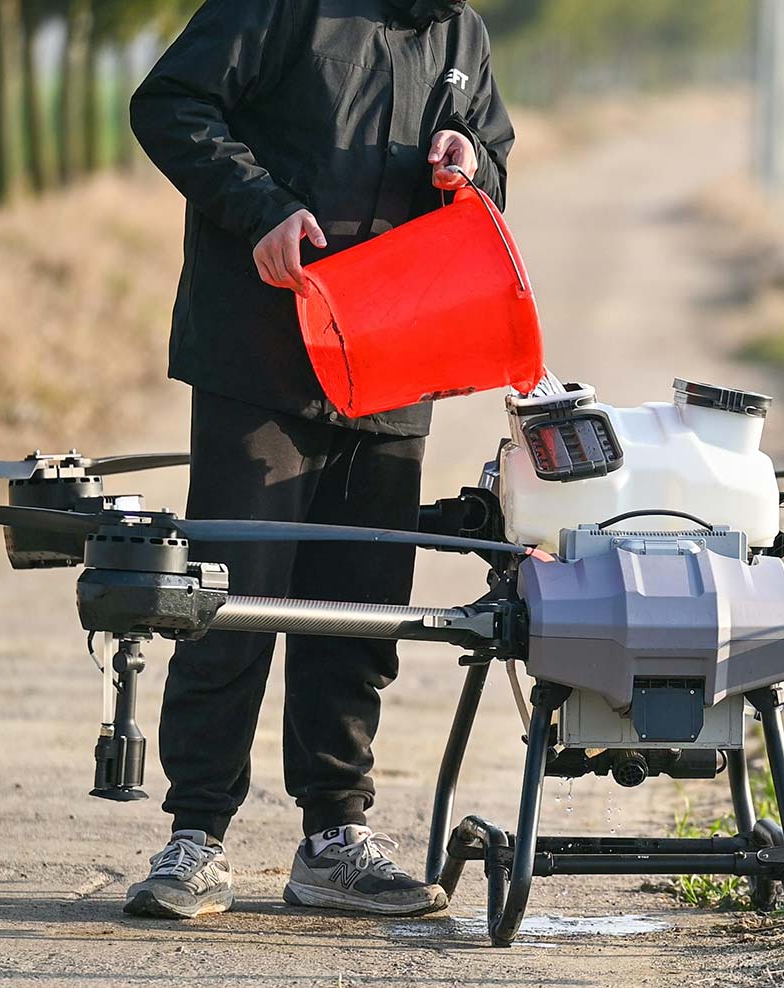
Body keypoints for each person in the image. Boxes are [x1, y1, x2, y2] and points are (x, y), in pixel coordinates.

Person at [121, 0, 512, 919]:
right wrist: (260, 208)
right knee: (230, 595)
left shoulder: (462, 33)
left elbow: (492, 151)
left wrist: (473, 165)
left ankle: (335, 839)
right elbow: (169, 103)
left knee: (359, 605)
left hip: (396, 352)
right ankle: (197, 837)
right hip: (260, 355)